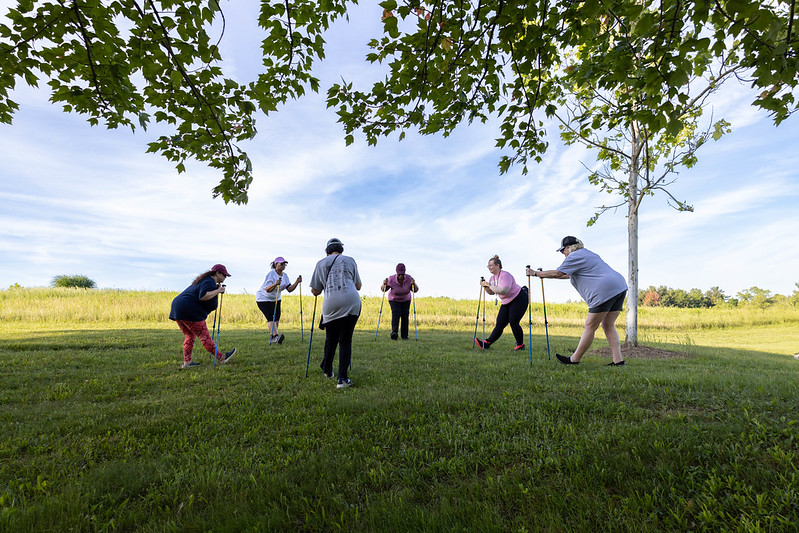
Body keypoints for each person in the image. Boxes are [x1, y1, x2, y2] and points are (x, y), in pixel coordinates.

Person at [527, 236, 627, 366]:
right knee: (608, 325)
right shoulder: (588, 254)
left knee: (590, 325)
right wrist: (544, 275)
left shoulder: (573, 256)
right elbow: (567, 275)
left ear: (569, 248)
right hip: (619, 286)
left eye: (563, 250)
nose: (563, 254)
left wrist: (535, 273)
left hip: (604, 290)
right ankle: (618, 361)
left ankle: (574, 359)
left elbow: (558, 273)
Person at [310, 238, 362, 388]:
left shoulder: (320, 263)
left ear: (327, 250)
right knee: (345, 340)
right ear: (341, 249)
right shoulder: (350, 260)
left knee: (330, 339)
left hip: (330, 303)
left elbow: (315, 291)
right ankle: (343, 379)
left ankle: (327, 369)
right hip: (351, 302)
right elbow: (358, 285)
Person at [169, 264, 236, 368]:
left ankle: (187, 363)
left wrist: (215, 289)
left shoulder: (205, 280)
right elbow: (203, 296)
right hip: (189, 311)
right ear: (217, 273)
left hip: (178, 309)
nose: (225, 278)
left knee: (189, 335)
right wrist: (218, 291)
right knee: (204, 337)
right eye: (224, 275)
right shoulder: (209, 280)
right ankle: (221, 358)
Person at [474, 255, 528, 351]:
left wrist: (489, 285)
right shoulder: (492, 278)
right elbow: (492, 292)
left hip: (519, 298)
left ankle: (520, 345)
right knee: (500, 323)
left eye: (491, 265)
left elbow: (503, 291)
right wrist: (485, 287)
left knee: (513, 321)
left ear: (497, 265)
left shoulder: (505, 275)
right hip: (506, 301)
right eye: (488, 266)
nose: (489, 267)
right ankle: (487, 343)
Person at [255, 256, 302, 344]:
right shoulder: (271, 274)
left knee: (276, 318)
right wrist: (275, 284)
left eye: (284, 264)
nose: (283, 266)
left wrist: (296, 282)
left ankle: (273, 337)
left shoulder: (285, 276)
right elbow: (267, 289)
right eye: (281, 264)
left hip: (276, 299)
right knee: (271, 317)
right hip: (263, 298)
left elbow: (289, 289)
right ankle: (275, 336)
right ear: (275, 264)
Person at [380, 263, 419, 340]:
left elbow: (416, 290)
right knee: (396, 312)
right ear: (397, 273)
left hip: (406, 299)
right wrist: (384, 284)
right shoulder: (391, 279)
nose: (401, 277)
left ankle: (404, 336)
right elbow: (383, 289)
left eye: (402, 275)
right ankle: (394, 333)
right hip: (394, 299)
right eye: (399, 275)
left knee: (405, 315)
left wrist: (414, 283)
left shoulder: (409, 278)